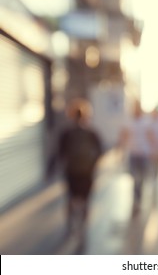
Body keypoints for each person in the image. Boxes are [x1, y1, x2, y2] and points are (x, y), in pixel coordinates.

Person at [47, 98, 103, 249]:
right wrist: (93, 165)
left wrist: (51, 169)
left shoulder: (67, 132)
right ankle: (82, 227)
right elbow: (100, 151)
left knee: (72, 199)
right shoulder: (91, 132)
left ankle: (71, 225)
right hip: (86, 171)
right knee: (85, 200)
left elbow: (59, 152)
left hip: (72, 171)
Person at [119, 101, 153, 216]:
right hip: (133, 154)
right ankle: (136, 199)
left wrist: (155, 149)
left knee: (141, 178)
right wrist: (120, 149)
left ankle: (138, 199)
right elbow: (123, 135)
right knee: (135, 178)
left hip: (143, 154)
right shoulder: (129, 122)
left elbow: (150, 136)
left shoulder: (146, 122)